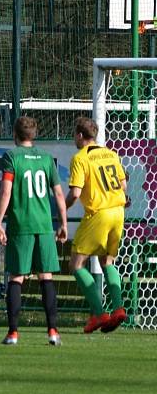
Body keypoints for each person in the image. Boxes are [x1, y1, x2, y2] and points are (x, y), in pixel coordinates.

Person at [0, 116, 68, 346]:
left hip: (21, 225)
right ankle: (53, 332)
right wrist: (63, 223)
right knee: (46, 277)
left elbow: (5, 192)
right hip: (45, 226)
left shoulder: (11, 156)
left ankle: (13, 333)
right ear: (34, 135)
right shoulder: (46, 158)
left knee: (17, 277)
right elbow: (57, 193)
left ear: (15, 135)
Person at [65, 116, 128, 334]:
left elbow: (75, 194)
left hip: (99, 213)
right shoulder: (111, 154)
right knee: (107, 261)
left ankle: (99, 313)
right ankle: (118, 308)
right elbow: (123, 184)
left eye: (75, 134)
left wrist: (60, 210)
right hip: (118, 211)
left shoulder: (80, 158)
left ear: (80, 135)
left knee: (76, 264)